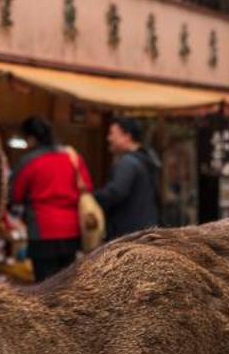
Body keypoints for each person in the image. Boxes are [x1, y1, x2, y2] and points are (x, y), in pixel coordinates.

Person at [9, 116, 95, 282]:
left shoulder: (29, 162)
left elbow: (15, 196)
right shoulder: (72, 158)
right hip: (71, 231)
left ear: (31, 138)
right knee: (68, 284)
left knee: (45, 288)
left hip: (42, 232)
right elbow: (87, 188)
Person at [94, 118, 162, 240]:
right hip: (144, 230)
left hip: (129, 234)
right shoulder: (146, 159)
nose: (108, 139)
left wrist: (91, 197)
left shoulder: (128, 163)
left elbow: (115, 192)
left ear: (127, 136)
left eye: (112, 134)